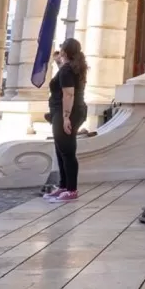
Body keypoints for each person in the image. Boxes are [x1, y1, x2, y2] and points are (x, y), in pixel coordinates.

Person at [45, 38, 88, 203]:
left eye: (62, 48)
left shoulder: (67, 70)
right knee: (61, 149)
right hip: (68, 111)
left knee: (67, 151)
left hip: (68, 113)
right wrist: (59, 63)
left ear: (64, 51)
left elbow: (68, 94)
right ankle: (63, 186)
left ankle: (71, 189)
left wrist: (65, 117)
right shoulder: (72, 68)